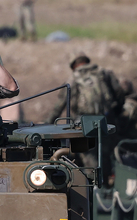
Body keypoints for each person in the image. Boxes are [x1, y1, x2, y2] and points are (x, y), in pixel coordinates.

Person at [49, 54, 129, 184]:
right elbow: (119, 94)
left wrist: (49, 121)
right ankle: (106, 186)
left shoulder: (73, 78)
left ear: (74, 65)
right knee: (105, 154)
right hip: (105, 121)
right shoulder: (104, 73)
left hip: (83, 123)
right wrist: (118, 111)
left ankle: (93, 186)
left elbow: (60, 104)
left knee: (87, 155)